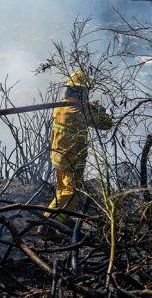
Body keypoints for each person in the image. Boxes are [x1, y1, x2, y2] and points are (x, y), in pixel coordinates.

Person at [44, 70, 112, 228]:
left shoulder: (60, 106)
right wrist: (98, 110)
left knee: (62, 190)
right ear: (83, 92)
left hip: (58, 157)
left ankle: (58, 217)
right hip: (71, 159)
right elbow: (106, 124)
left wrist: (88, 108)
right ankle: (50, 224)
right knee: (72, 193)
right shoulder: (79, 111)